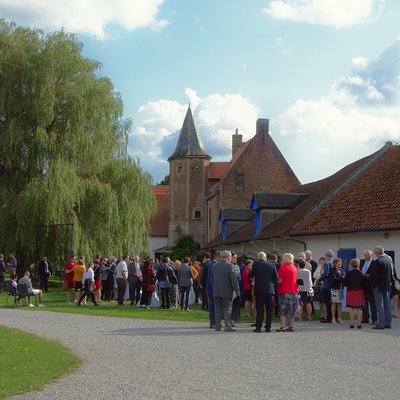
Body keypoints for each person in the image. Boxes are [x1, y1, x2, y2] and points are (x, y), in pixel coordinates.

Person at [211, 250, 240, 332]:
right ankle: (227, 326)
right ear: (228, 257)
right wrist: (237, 289)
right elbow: (233, 280)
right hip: (227, 291)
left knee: (217, 308)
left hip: (216, 291)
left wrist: (215, 287)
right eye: (231, 256)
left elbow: (212, 279)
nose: (231, 258)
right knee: (227, 308)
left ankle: (217, 326)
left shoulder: (215, 265)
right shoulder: (230, 266)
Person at [249, 252, 278, 333]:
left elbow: (250, 275)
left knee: (260, 309)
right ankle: (268, 327)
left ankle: (258, 327)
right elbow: (276, 278)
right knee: (269, 309)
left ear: (258, 258)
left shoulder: (255, 265)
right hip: (270, 290)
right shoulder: (272, 265)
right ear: (265, 257)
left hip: (259, 290)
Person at [370, 246, 392, 329]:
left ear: (377, 253)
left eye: (375, 252)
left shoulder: (377, 261)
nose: (374, 253)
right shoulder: (388, 260)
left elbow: (375, 276)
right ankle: (388, 322)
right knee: (386, 304)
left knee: (379, 304)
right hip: (386, 285)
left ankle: (381, 323)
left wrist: (373, 283)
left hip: (378, 286)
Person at [276, 253, 299, 332]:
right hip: (294, 291)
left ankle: (283, 326)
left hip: (284, 290)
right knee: (292, 309)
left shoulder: (283, 268)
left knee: (283, 308)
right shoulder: (294, 268)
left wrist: (275, 281)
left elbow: (280, 280)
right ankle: (291, 326)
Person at [343, 259, 366, 329]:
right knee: (359, 308)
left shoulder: (348, 273)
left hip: (350, 291)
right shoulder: (362, 273)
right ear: (358, 264)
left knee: (351, 308)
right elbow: (364, 284)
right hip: (359, 291)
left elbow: (345, 283)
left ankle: (351, 323)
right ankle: (359, 323)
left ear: (351, 265)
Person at [360, 249, 377, 324]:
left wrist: (370, 275)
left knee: (372, 303)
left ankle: (374, 319)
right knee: (364, 303)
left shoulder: (375, 263)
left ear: (371, 255)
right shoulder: (362, 262)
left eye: (367, 255)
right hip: (363, 285)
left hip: (371, 285)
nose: (366, 257)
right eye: (365, 255)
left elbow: (376, 273)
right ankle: (365, 317)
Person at [205, 251, 221, 328]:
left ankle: (215, 322)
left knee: (214, 305)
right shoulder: (214, 264)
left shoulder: (212, 263)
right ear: (217, 256)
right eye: (220, 257)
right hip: (213, 288)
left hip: (210, 288)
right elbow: (213, 278)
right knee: (214, 306)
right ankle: (213, 322)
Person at [320, 250, 334, 323]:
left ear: (326, 255)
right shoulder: (333, 262)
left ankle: (329, 317)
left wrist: (321, 275)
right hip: (332, 284)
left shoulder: (327, 263)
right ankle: (333, 317)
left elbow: (326, 273)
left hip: (326, 284)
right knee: (332, 302)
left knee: (327, 302)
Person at [330, 258, 345, 324]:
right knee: (334, 303)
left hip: (341, 289)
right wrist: (342, 278)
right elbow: (333, 279)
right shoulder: (332, 270)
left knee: (340, 303)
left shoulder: (342, 270)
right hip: (334, 289)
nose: (341, 263)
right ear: (335, 263)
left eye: (341, 262)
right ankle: (333, 318)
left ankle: (339, 318)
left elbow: (344, 280)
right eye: (339, 262)